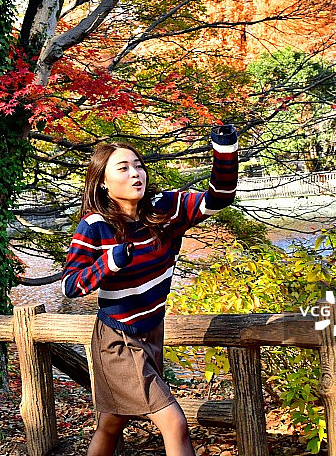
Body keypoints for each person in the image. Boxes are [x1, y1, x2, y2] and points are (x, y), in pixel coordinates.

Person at [61, 125, 239, 456]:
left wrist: (224, 149)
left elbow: (219, 198)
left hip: (151, 332)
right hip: (118, 338)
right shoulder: (95, 225)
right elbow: (70, 285)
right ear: (103, 181)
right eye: (123, 168)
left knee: (112, 422)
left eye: (138, 165)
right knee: (173, 422)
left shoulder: (164, 209)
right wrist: (110, 262)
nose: (135, 174)